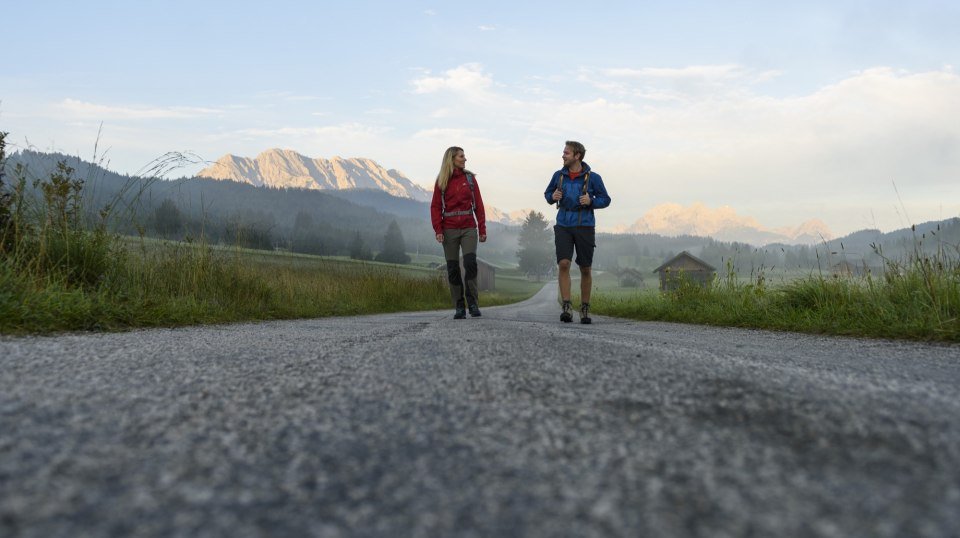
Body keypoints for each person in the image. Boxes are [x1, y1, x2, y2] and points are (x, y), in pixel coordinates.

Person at [544, 141, 611, 324]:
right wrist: (552, 197)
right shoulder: (558, 176)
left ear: (577, 156)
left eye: (566, 153)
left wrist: (591, 201)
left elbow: (606, 199)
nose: (563, 155)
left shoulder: (594, 178)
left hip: (585, 226)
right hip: (563, 224)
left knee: (585, 268)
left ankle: (584, 308)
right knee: (564, 263)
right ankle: (566, 306)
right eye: (563, 152)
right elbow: (548, 194)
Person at [431, 146, 487, 319]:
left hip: (469, 227)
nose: (465, 159)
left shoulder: (470, 179)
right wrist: (438, 229)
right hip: (449, 229)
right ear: (452, 159)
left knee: (470, 264)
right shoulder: (442, 180)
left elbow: (479, 204)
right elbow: (435, 207)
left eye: (464, 156)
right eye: (461, 156)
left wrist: (482, 228)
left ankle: (473, 303)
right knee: (453, 268)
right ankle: (459, 306)